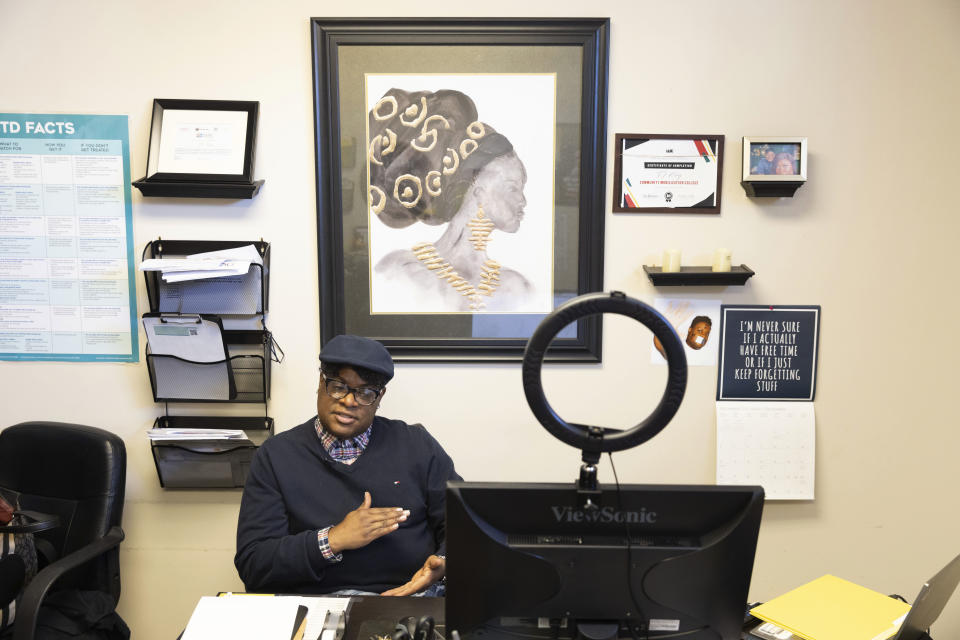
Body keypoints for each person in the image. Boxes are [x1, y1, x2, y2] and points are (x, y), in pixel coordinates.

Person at [235, 334, 461, 596]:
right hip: (315, 604)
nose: (349, 401)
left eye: (365, 392)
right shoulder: (275, 456)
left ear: (380, 397)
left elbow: (464, 525)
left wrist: (444, 562)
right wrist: (334, 539)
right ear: (321, 382)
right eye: (339, 386)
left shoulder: (417, 445)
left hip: (410, 598)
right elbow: (254, 564)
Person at [368, 88, 533, 312]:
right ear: (478, 190)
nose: (523, 201)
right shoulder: (397, 271)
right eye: (513, 188)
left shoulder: (517, 288)